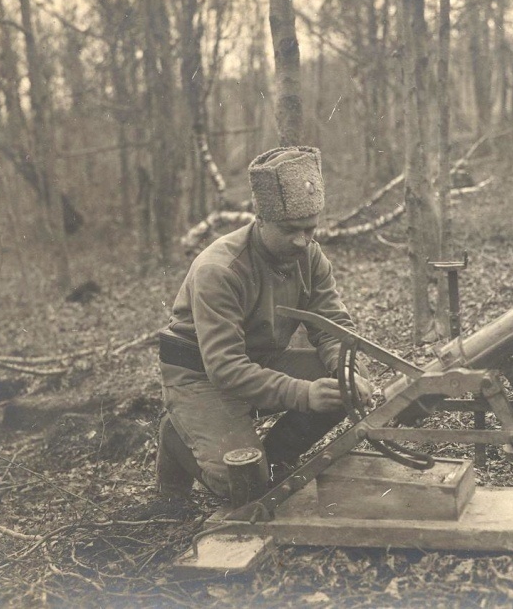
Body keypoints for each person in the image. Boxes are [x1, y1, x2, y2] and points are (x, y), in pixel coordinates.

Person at [156, 146, 371, 500]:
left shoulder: (308, 254)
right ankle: (178, 433)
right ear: (261, 219)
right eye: (290, 230)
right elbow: (224, 368)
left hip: (257, 362)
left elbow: (331, 323)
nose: (303, 241)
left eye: (310, 229)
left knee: (338, 390)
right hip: (200, 376)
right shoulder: (220, 269)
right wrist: (304, 394)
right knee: (242, 484)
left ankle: (270, 462)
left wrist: (346, 369)